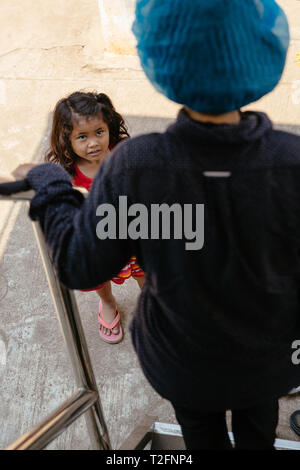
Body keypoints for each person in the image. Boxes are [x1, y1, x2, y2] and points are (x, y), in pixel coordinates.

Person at [6, 0, 300, 449]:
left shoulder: (135, 168)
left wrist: (50, 183)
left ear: (161, 60)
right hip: (269, 360)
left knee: (201, 434)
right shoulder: (291, 163)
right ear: (265, 52)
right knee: (257, 425)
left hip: (184, 362)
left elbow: (80, 265)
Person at [44, 91, 145, 343]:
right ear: (66, 139)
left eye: (99, 132)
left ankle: (151, 304)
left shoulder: (124, 154)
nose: (93, 143)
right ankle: (108, 303)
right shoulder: (69, 176)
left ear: (109, 127)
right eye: (82, 136)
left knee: (146, 271)